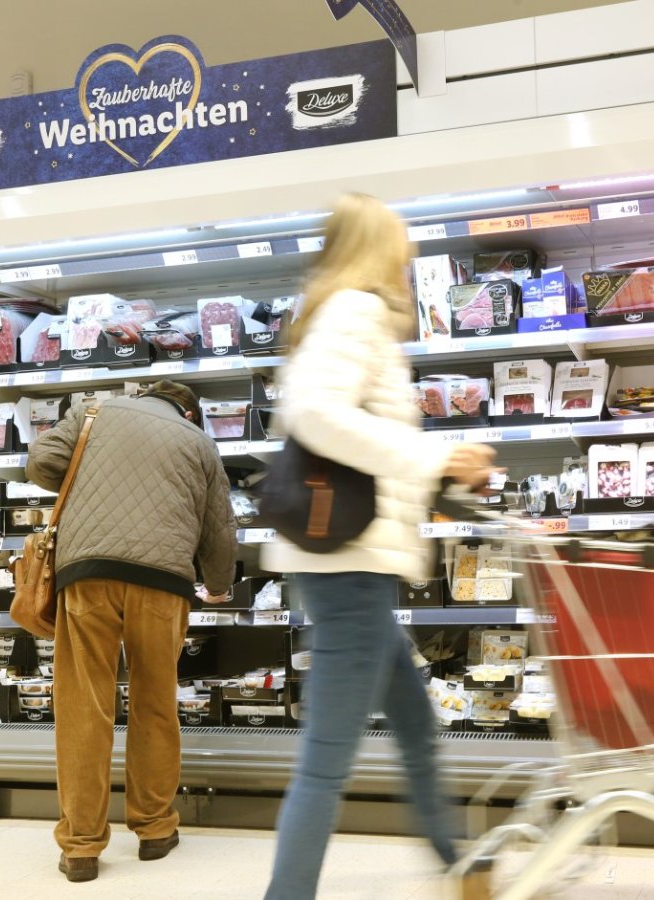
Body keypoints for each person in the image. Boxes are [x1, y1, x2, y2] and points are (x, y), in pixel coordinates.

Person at [261, 193, 498, 899]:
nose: (409, 261)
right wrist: (436, 458)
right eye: (400, 247)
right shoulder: (355, 313)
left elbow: (359, 440)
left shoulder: (344, 316)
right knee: (327, 761)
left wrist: (449, 471)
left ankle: (455, 864)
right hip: (348, 566)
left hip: (353, 566)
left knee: (417, 726)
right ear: (376, 249)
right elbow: (317, 417)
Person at [26, 380, 238, 883]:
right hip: (163, 583)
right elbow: (219, 527)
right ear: (189, 414)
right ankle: (155, 828)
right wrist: (219, 586)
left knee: (84, 706)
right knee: (155, 702)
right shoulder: (200, 443)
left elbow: (40, 463)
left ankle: (80, 846)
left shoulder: (93, 411)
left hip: (88, 573)